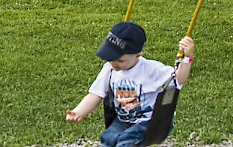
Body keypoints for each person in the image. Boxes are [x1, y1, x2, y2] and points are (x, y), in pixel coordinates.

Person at [66, 22, 196, 147]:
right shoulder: (109, 69)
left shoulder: (150, 69)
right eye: (110, 58)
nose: (114, 63)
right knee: (108, 138)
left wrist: (187, 58)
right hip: (124, 120)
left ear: (138, 55)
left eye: (120, 60)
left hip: (150, 122)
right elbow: (95, 94)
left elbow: (178, 79)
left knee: (126, 140)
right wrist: (78, 112)